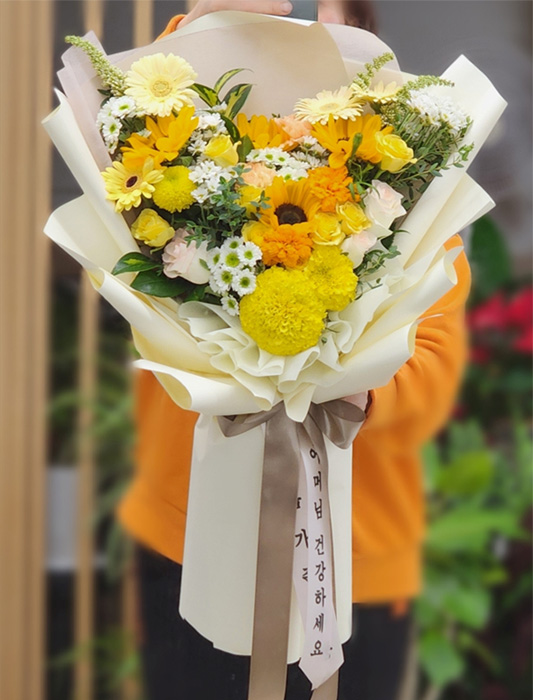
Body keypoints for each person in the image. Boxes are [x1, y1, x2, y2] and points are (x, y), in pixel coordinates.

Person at [116, 2, 472, 699]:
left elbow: (432, 373)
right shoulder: (170, 188)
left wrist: (336, 381)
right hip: (187, 541)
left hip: (355, 560)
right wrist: (201, 33)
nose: (297, 62)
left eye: (320, 35)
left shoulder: (410, 200)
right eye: (269, 39)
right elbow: (137, 110)